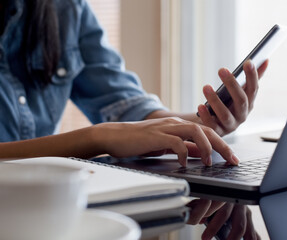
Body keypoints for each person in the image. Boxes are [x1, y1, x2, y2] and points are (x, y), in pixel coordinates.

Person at [0, 0, 268, 166]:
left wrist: (201, 122)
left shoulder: (66, 8)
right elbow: (114, 130)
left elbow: (124, 103)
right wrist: (98, 138)